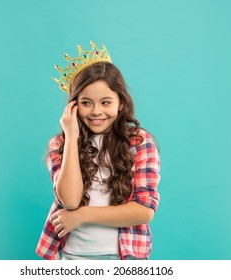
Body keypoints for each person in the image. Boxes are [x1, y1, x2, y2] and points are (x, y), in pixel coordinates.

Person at [36, 41, 160, 260]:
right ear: (73, 105)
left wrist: (82, 216)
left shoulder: (140, 142)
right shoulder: (60, 144)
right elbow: (70, 201)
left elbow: (144, 211)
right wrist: (72, 137)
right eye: (86, 103)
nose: (96, 112)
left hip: (123, 257)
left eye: (105, 102)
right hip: (73, 256)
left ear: (120, 103)